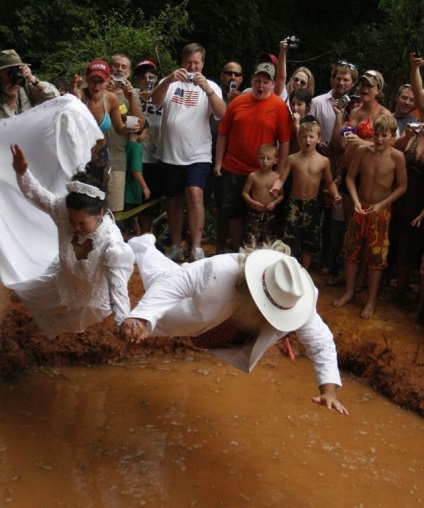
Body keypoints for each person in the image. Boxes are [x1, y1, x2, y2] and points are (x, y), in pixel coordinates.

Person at [119, 234, 348, 415]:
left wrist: (329, 391)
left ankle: (146, 251)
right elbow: (175, 284)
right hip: (198, 310)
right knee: (159, 280)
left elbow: (321, 342)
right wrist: (141, 317)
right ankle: (143, 246)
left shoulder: (296, 299)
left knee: (166, 281)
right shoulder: (220, 271)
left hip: (227, 331)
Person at [8, 144, 135, 338]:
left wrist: (123, 321)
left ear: (100, 213)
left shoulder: (113, 246)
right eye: (72, 221)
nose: (75, 227)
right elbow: (36, 194)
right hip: (64, 281)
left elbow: (117, 287)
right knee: (24, 297)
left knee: (50, 330)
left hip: (93, 301)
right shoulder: (62, 210)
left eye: (82, 223)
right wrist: (23, 172)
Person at [152, 43, 226, 262]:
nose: (192, 67)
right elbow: (155, 101)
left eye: (197, 63)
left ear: (202, 64)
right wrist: (167, 80)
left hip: (198, 153)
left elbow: (222, 113)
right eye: (188, 62)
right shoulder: (171, 82)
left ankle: (196, 247)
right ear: (182, 63)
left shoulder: (211, 85)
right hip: (170, 153)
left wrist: (208, 89)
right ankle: (175, 245)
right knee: (173, 200)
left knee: (195, 195)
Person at [333, 115, 407, 319]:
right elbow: (349, 178)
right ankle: (349, 291)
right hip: (361, 207)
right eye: (377, 134)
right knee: (351, 250)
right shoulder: (363, 151)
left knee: (376, 257)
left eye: (385, 136)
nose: (380, 139)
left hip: (381, 212)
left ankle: (371, 300)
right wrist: (356, 201)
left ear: (393, 137)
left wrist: (382, 204)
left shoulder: (397, 157)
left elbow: (402, 186)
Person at [214, 62, 293, 251]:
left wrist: (279, 175)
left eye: (266, 82)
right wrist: (218, 162)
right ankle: (234, 250)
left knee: (260, 215)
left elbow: (284, 143)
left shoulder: (279, 107)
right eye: (257, 80)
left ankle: (256, 255)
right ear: (251, 80)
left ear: (272, 84)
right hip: (233, 166)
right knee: (232, 212)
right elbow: (223, 133)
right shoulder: (238, 102)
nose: (261, 85)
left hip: (263, 173)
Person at [271, 121, 342, 270]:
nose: (307, 140)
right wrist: (276, 188)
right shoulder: (293, 159)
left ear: (318, 138)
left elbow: (329, 182)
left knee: (309, 240)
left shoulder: (323, 161)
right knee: (289, 237)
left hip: (313, 204)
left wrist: (335, 195)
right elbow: (281, 178)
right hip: (294, 203)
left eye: (311, 136)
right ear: (299, 139)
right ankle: (286, 269)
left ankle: (305, 271)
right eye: (303, 137)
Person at [106, 51, 144, 214]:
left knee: (114, 211)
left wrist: (130, 98)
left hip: (117, 159)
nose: (119, 70)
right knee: (89, 208)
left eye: (124, 67)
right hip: (91, 158)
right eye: (116, 65)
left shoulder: (131, 95)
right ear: (109, 67)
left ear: (128, 71)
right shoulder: (94, 86)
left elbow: (139, 125)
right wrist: (102, 91)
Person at [133, 58, 163, 234]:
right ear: (138, 79)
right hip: (135, 153)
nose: (147, 80)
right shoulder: (132, 94)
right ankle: (132, 233)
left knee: (151, 200)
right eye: (143, 76)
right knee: (131, 198)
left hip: (156, 155)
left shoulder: (163, 96)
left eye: (151, 76)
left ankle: (146, 236)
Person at [241, 144, 283, 244]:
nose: (265, 161)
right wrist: (253, 203)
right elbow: (244, 193)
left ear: (275, 160)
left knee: (268, 241)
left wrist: (274, 203)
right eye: (262, 158)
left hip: (269, 214)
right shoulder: (253, 176)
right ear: (257, 158)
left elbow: (281, 195)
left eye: (268, 159)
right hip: (254, 213)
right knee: (251, 240)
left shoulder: (277, 178)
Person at [0, 49, 59, 118]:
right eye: (10, 71)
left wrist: (34, 80)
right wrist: (11, 99)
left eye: (17, 69)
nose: (15, 74)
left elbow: (55, 97)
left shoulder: (26, 85)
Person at [310, 60, 358, 145]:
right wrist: (318, 143)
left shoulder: (357, 106)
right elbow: (307, 129)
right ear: (334, 79)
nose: (341, 83)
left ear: (353, 83)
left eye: (346, 80)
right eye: (338, 79)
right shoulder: (317, 102)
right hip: (321, 154)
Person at [120, 131, 151, 240]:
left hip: (122, 192)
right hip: (132, 194)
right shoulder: (137, 147)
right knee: (126, 227)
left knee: (125, 222)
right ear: (140, 132)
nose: (146, 136)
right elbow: (136, 170)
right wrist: (144, 187)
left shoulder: (124, 145)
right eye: (146, 132)